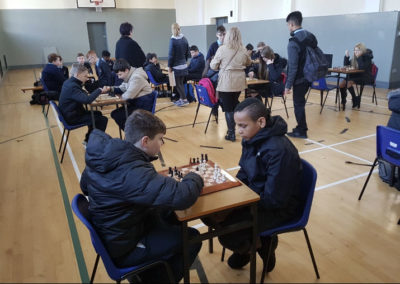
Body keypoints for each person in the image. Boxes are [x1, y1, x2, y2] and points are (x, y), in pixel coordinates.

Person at [80, 109, 203, 283]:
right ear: (145, 141)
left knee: (168, 213)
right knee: (192, 238)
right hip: (125, 247)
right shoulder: (132, 170)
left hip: (116, 231)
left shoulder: (107, 155)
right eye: (160, 139)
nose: (162, 144)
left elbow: (84, 187)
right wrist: (195, 176)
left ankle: (154, 268)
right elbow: (182, 197)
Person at [203, 98, 302, 271]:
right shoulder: (252, 137)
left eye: (242, 125)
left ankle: (262, 246)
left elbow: (274, 200)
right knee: (210, 214)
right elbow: (245, 171)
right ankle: (251, 242)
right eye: (237, 125)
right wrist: (231, 190)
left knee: (228, 233)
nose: (238, 131)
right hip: (255, 196)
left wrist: (240, 203)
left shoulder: (279, 151)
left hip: (278, 207)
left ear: (261, 122)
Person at [210, 27, 251, 142]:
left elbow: (213, 66)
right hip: (239, 82)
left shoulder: (222, 49)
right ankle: (242, 125)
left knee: (228, 108)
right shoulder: (243, 49)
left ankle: (231, 133)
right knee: (234, 104)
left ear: (227, 36)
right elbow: (248, 62)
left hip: (226, 82)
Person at [58, 63, 108, 144]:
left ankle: (88, 140)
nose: (87, 78)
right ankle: (94, 144)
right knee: (102, 120)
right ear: (77, 75)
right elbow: (87, 100)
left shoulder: (69, 82)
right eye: (85, 76)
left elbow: (82, 93)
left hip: (70, 113)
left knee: (98, 113)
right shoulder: (73, 86)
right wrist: (99, 90)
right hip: (72, 117)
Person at [284, 10, 315, 139]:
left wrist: (288, 85)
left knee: (298, 104)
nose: (288, 28)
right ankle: (301, 127)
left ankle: (302, 130)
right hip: (310, 76)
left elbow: (293, 66)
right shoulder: (311, 37)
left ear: (291, 24)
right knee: (300, 103)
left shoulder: (293, 43)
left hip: (299, 79)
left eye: (288, 25)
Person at [110, 59, 154, 130]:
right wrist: (110, 89)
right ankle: (132, 134)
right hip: (137, 103)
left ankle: (133, 134)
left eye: (120, 74)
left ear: (126, 70)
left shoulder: (136, 77)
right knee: (115, 114)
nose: (119, 77)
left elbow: (128, 96)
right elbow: (122, 87)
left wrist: (119, 97)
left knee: (117, 115)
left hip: (143, 107)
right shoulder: (129, 75)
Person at [339, 43, 374, 109]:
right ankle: (344, 99)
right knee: (341, 84)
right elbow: (346, 65)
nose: (356, 52)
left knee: (348, 83)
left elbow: (362, 67)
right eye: (355, 50)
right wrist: (346, 56)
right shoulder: (354, 58)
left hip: (365, 77)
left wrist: (359, 57)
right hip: (355, 76)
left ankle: (355, 99)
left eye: (358, 50)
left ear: (362, 51)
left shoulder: (366, 58)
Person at [168, 23, 190, 107]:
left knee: (178, 84)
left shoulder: (173, 40)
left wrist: (170, 66)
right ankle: (181, 99)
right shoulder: (184, 39)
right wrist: (185, 61)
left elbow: (171, 55)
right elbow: (188, 52)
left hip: (176, 66)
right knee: (181, 83)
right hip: (184, 65)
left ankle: (184, 100)